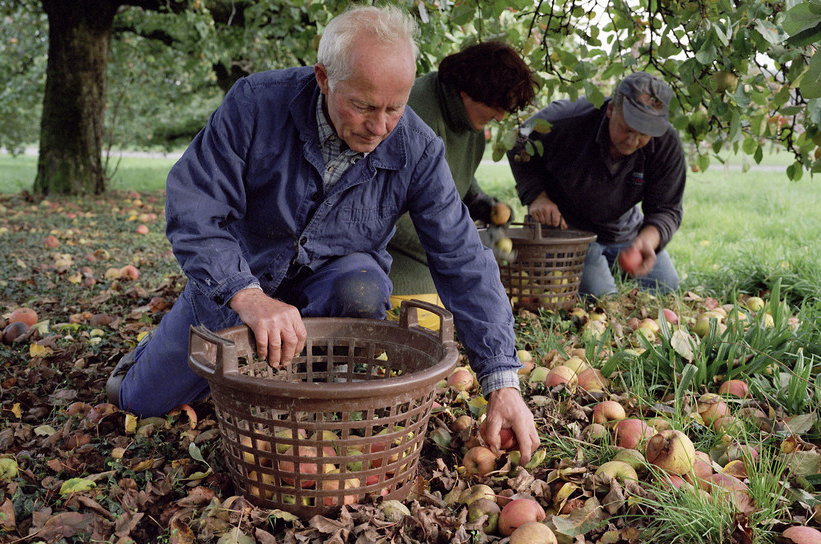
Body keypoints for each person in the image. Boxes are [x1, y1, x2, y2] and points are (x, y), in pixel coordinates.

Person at [105, 5, 538, 463]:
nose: (379, 127)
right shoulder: (255, 104)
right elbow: (195, 209)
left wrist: (502, 379)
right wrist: (246, 296)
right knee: (141, 404)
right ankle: (155, 356)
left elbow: (463, 258)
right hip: (239, 279)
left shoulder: (417, 146)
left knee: (363, 287)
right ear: (323, 78)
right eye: (364, 106)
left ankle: (308, 393)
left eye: (396, 107)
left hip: (333, 285)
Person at [509, 71, 685, 297]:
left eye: (643, 134)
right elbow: (518, 140)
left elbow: (667, 208)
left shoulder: (665, 144)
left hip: (622, 231)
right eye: (627, 128)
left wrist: (647, 241)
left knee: (666, 286)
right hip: (567, 230)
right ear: (611, 109)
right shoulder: (564, 121)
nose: (632, 141)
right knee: (600, 296)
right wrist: (536, 195)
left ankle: (609, 264)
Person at [388, 40, 537, 296]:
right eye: (496, 106)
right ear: (467, 90)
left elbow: (452, 180)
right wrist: (465, 242)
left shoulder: (471, 128)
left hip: (429, 255)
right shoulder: (415, 117)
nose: (500, 117)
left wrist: (481, 202)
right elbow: (388, 216)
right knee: (436, 309)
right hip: (392, 259)